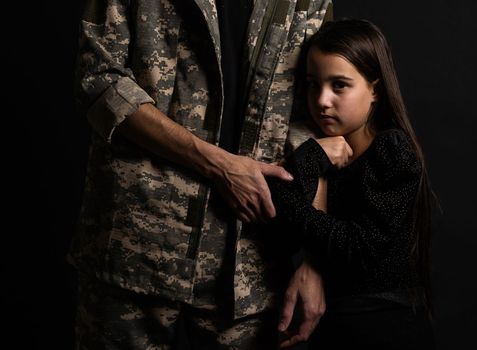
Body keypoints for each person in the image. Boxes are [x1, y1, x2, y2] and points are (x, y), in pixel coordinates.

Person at [69, 0, 333, 348]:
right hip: (137, 248)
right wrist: (219, 165)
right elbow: (98, 80)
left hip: (251, 264)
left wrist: (316, 260)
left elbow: (319, 118)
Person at [267, 19, 436, 349]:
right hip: (332, 329)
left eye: (339, 85)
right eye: (313, 84)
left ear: (374, 89)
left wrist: (296, 201)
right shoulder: (320, 152)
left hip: (384, 330)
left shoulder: (392, 151)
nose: (322, 100)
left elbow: (359, 250)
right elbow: (279, 220)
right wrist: (312, 156)